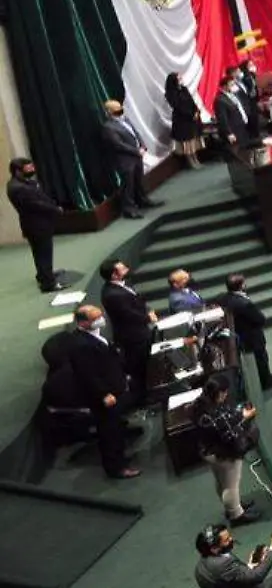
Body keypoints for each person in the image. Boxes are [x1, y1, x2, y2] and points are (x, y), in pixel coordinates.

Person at [53, 305, 139, 478]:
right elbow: (87, 375)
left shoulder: (94, 335)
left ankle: (121, 458)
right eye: (95, 318)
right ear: (83, 322)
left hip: (115, 387)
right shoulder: (80, 345)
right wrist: (104, 394)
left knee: (116, 428)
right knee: (109, 433)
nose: (101, 320)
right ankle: (116, 468)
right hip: (103, 397)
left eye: (100, 316)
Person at [194, 374, 259, 524]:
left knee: (221, 482)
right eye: (225, 392)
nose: (226, 395)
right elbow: (230, 435)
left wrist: (238, 415)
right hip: (223, 454)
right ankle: (236, 515)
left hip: (207, 450)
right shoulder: (215, 413)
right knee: (231, 484)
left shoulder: (200, 404)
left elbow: (224, 420)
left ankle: (233, 507)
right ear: (219, 392)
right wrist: (245, 419)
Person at [100, 258, 156, 410]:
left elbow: (137, 300)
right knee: (138, 369)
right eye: (122, 268)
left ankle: (147, 392)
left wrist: (147, 309)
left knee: (145, 365)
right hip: (132, 338)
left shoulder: (124, 284)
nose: (126, 269)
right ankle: (141, 400)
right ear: (114, 275)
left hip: (140, 332)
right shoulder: (112, 294)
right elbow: (128, 314)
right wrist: (147, 317)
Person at [8, 156, 68, 292]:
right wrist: (55, 209)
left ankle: (44, 275)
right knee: (43, 253)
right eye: (28, 168)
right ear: (18, 170)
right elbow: (35, 205)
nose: (32, 169)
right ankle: (48, 284)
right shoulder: (18, 188)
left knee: (41, 252)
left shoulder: (23, 183)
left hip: (37, 224)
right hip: (36, 225)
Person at [221, 274, 272, 390]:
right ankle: (267, 382)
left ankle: (264, 378)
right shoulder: (244, 304)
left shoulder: (225, 298)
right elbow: (260, 319)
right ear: (241, 286)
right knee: (261, 358)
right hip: (252, 336)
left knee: (256, 359)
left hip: (241, 335)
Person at [101, 100, 159, 219]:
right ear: (109, 112)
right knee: (128, 184)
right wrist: (136, 151)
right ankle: (129, 208)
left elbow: (135, 133)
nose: (120, 113)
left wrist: (143, 145)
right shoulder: (108, 127)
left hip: (137, 156)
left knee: (138, 180)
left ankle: (143, 201)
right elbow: (118, 144)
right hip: (125, 160)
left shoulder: (126, 120)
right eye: (116, 111)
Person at [194, 522, 272, 588]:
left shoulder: (202, 563)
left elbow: (230, 577)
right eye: (227, 540)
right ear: (214, 548)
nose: (231, 539)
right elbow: (256, 577)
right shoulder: (223, 563)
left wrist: (250, 565)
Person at [166, 73, 206, 168]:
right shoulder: (171, 93)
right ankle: (191, 161)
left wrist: (196, 111)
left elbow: (191, 101)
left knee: (193, 139)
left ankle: (196, 159)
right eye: (179, 78)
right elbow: (178, 106)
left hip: (192, 119)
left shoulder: (184, 89)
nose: (181, 79)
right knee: (186, 142)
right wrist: (190, 114)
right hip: (182, 120)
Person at [215, 75, 259, 154]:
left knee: (247, 151)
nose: (234, 86)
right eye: (231, 85)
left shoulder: (234, 95)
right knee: (238, 153)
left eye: (234, 84)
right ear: (224, 86)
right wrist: (229, 133)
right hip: (234, 131)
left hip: (242, 127)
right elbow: (222, 119)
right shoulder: (220, 100)